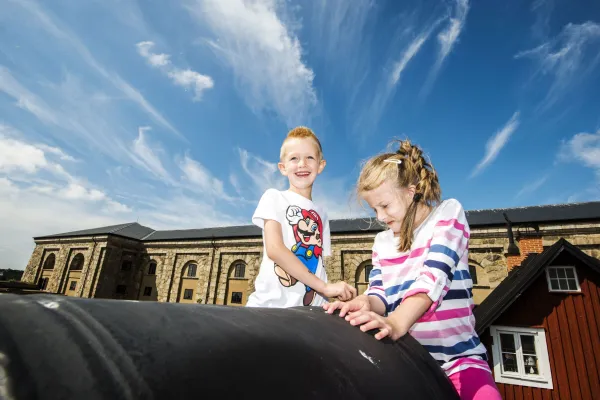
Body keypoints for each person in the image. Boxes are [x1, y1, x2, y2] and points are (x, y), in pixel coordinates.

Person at [323, 139, 501, 400]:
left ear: (411, 191)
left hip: (458, 360)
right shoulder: (382, 242)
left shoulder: (447, 215)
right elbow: (380, 294)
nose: (380, 217)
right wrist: (365, 303)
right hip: (407, 361)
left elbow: (434, 277)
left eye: (385, 206)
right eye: (374, 209)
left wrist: (397, 322)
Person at [246, 126, 356, 308]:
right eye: (294, 158)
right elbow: (275, 249)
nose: (302, 164)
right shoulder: (274, 197)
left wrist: (332, 291)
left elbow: (319, 265)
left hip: (312, 311)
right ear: (283, 168)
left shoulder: (322, 214)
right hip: (271, 308)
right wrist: (325, 287)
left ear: (320, 165)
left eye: (309, 157)